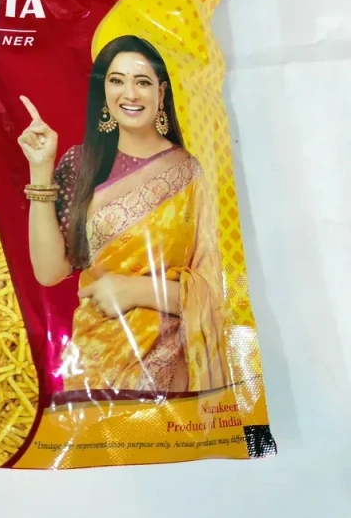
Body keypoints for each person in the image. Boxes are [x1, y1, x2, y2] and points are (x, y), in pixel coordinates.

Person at [17, 35, 228, 394]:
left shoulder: (192, 173)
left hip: (172, 369)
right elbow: (50, 272)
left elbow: (219, 292)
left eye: (142, 82)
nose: (129, 93)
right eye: (117, 80)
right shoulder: (81, 164)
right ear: (104, 92)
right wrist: (40, 169)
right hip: (94, 363)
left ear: (161, 93)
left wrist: (136, 290)